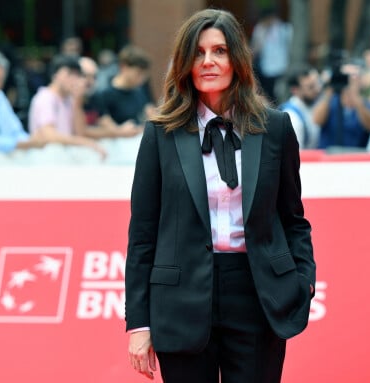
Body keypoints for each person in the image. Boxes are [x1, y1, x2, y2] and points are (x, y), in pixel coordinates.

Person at [125, 9, 315, 383]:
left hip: (258, 294)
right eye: (198, 53)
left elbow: (293, 217)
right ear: (184, 63)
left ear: (237, 60)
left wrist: (303, 278)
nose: (208, 61)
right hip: (180, 300)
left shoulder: (274, 128)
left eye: (220, 51)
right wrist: (139, 323)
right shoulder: (161, 134)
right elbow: (143, 235)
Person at [27, 54, 106, 158]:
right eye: (69, 74)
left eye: (77, 75)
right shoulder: (45, 97)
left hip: (64, 157)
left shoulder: (70, 100)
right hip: (47, 159)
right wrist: (85, 142)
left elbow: (79, 133)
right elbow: (48, 135)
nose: (74, 79)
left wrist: (78, 100)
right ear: (55, 75)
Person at [312, 63, 370, 150]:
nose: (348, 80)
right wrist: (330, 89)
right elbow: (317, 121)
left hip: (355, 158)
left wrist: (355, 97)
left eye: (353, 76)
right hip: (327, 158)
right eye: (345, 76)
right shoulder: (330, 101)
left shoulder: (368, 105)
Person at [94, 44, 156, 135]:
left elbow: (149, 113)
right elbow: (102, 124)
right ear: (124, 67)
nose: (142, 78)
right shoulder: (104, 93)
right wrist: (119, 131)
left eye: (144, 75)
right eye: (138, 73)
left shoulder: (140, 91)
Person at [250, 7, 292, 105]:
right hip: (267, 69)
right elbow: (256, 49)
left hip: (282, 67)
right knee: (270, 94)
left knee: (281, 93)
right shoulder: (260, 29)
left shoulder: (284, 28)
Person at [279, 65, 322, 149]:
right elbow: (297, 155)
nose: (317, 90)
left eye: (318, 84)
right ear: (295, 90)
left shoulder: (313, 104)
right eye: (311, 87)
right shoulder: (292, 117)